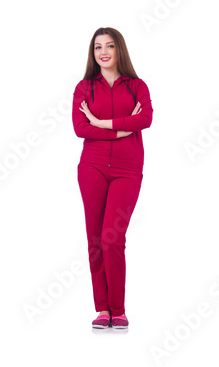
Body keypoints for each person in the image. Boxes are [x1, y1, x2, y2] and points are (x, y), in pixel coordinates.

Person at [73, 27, 153, 329]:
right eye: (97, 47)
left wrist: (100, 122)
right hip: (91, 166)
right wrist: (123, 128)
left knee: (112, 237)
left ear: (119, 49)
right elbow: (80, 128)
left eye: (109, 46)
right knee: (96, 239)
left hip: (127, 169)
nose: (103, 52)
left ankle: (118, 309)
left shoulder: (137, 86)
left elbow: (145, 119)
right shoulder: (84, 87)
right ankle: (102, 309)